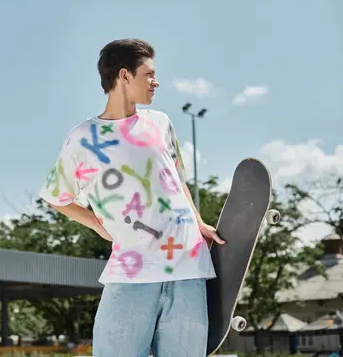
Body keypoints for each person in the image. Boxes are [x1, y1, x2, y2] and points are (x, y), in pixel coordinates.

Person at [38, 38, 225, 356]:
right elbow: (57, 196)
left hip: (189, 270)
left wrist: (198, 222)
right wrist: (97, 225)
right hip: (133, 271)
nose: (156, 81)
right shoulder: (84, 138)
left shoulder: (160, 122)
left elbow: (176, 180)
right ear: (124, 76)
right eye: (148, 74)